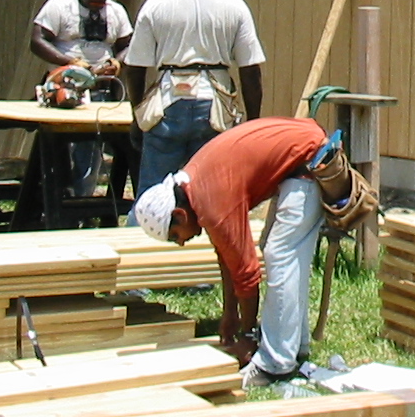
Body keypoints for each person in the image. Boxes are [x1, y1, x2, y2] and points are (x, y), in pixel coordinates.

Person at [132, 116, 373, 385]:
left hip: (308, 160)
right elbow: (226, 255)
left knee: (280, 255)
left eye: (175, 235)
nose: (181, 242)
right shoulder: (196, 186)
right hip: (301, 155)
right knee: (286, 255)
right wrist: (230, 314)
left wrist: (246, 337)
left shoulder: (211, 202)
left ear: (179, 214)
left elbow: (246, 274)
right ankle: (296, 347)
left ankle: (275, 364)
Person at [123, 0, 265, 193]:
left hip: (168, 101)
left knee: (154, 195)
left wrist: (136, 112)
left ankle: (146, 231)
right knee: (210, 193)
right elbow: (250, 71)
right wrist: (253, 122)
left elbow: (135, 68)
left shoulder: (156, 4)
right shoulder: (234, 5)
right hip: (214, 106)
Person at [29, 0, 131, 194]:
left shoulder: (116, 12)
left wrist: (117, 61)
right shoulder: (59, 6)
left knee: (91, 149)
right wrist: (69, 61)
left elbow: (129, 43)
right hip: (65, 84)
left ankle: (82, 199)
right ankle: (55, 197)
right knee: (58, 148)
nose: (97, 2)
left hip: (101, 88)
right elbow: (37, 41)